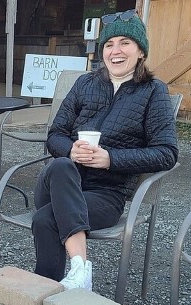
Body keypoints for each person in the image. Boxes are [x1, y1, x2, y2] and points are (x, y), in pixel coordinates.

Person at [31, 10, 178, 290]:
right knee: (62, 164)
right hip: (58, 185)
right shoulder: (85, 84)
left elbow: (167, 152)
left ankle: (51, 294)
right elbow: (55, 136)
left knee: (44, 219)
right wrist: (71, 151)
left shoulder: (153, 92)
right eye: (109, 44)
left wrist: (111, 159)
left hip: (106, 194)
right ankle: (82, 273)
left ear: (141, 52)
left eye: (125, 43)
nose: (116, 51)